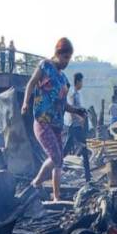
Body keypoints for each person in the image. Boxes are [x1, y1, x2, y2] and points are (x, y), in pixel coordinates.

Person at [22, 38, 87, 202]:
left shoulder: (64, 80)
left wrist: (77, 110)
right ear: (57, 53)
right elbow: (31, 83)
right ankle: (43, 188)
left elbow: (63, 104)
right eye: (65, 57)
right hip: (42, 120)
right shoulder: (45, 66)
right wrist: (25, 103)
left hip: (57, 124)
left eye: (69, 58)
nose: (66, 62)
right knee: (56, 157)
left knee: (59, 161)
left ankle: (48, 191)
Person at [64, 72, 86, 156]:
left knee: (69, 145)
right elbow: (71, 110)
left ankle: (62, 162)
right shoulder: (72, 94)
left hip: (77, 125)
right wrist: (80, 118)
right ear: (77, 82)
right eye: (81, 82)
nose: (82, 84)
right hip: (74, 124)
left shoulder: (78, 94)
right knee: (82, 145)